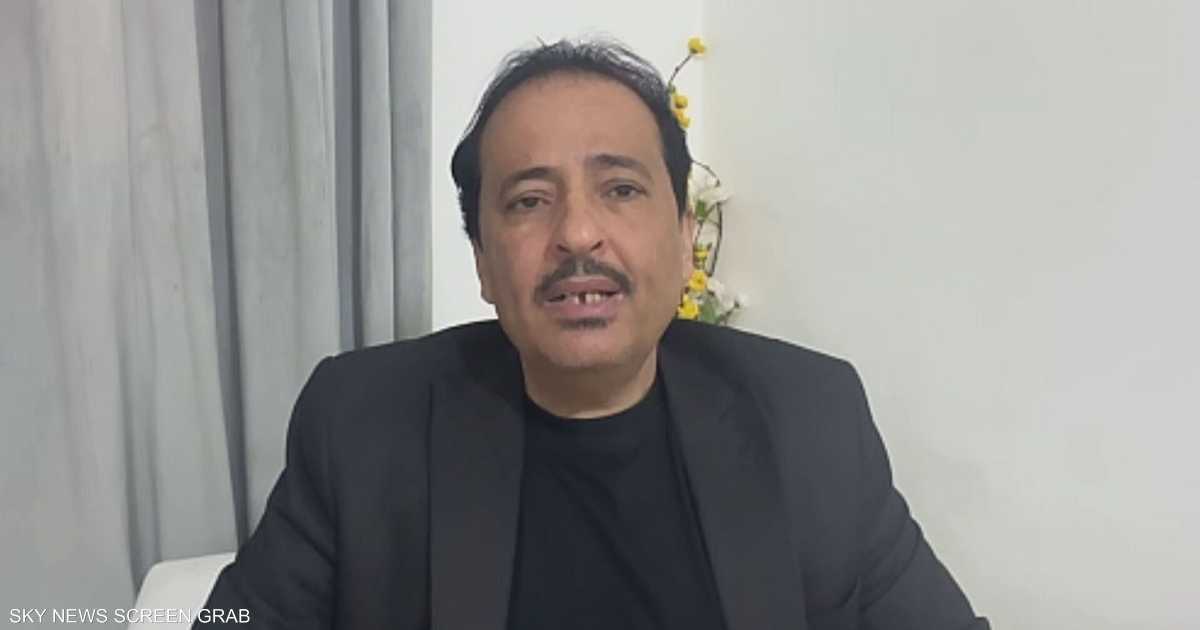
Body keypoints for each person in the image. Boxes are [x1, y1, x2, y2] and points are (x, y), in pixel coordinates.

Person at [196, 39, 988, 630]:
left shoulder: (811, 418)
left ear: (685, 238)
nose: (578, 233)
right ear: (482, 262)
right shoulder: (363, 424)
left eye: (621, 189)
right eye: (529, 201)